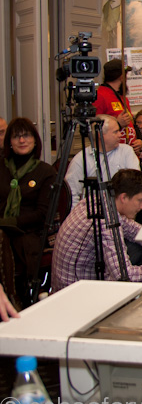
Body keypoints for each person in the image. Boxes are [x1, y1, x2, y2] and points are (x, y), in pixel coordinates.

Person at [51, 169, 142, 291]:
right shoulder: (106, 222)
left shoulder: (99, 200)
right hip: (79, 292)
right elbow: (125, 276)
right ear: (123, 197)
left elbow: (131, 228)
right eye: (140, 200)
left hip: (69, 283)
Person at [0, 118, 55, 300]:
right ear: (10, 141)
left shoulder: (45, 172)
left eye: (26, 136)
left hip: (29, 232)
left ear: (35, 140)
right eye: (16, 136)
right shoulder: (1, 167)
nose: (22, 140)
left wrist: (10, 222)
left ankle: (13, 298)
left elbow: (42, 214)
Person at [65, 115, 140, 207]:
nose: (120, 135)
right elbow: (71, 195)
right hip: (93, 210)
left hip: (122, 210)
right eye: (115, 132)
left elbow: (136, 185)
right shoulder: (81, 159)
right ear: (100, 135)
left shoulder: (126, 151)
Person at [93, 59, 138, 146]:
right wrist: (118, 123)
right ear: (121, 77)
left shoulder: (122, 97)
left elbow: (131, 122)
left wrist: (140, 140)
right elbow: (94, 126)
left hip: (128, 149)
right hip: (111, 149)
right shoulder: (100, 96)